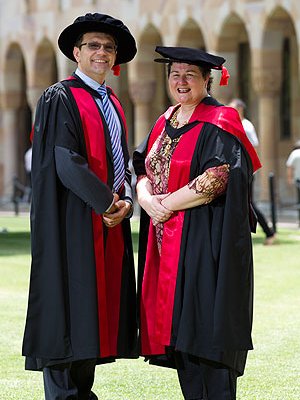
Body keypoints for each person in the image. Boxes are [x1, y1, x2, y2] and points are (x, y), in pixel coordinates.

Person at [133, 46, 261, 400]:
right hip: (168, 246)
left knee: (207, 334)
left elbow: (219, 176)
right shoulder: (165, 120)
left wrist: (165, 205)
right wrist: (146, 200)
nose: (181, 81)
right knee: (182, 339)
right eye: (175, 74)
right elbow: (142, 166)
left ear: (208, 79)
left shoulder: (220, 121)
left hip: (207, 243)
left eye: (191, 74)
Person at [22, 13, 138, 400]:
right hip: (71, 222)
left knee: (91, 309)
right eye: (93, 45)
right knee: (65, 306)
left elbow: (119, 159)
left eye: (108, 47)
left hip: (105, 222)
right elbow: (65, 160)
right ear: (76, 52)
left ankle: (81, 392)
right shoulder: (61, 97)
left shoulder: (113, 103)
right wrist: (109, 203)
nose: (101, 52)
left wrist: (128, 201)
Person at [228, 98, 276, 245]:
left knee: (249, 204)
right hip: (236, 171)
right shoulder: (234, 124)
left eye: (232, 108)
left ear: (240, 109)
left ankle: (269, 233)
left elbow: (253, 147)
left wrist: (248, 168)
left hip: (245, 172)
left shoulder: (246, 126)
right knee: (241, 203)